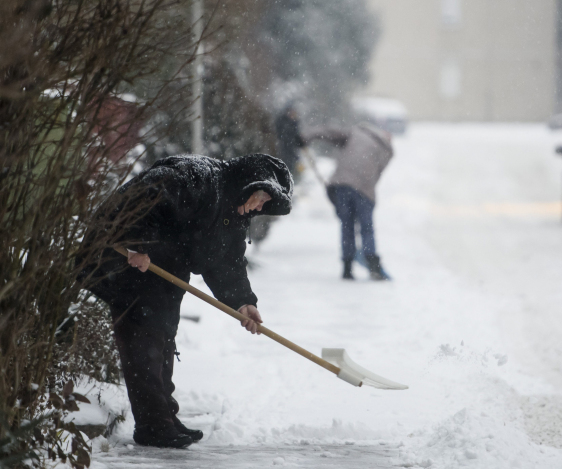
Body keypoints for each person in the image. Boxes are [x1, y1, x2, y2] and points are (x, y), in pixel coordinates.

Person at [78, 154, 293, 448]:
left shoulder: (233, 212)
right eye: (261, 197)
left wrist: (243, 302)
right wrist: (136, 244)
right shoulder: (197, 177)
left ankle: (164, 417)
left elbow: (226, 261)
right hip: (124, 258)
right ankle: (154, 426)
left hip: (164, 264)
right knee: (144, 338)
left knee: (163, 332)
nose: (260, 206)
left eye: (266, 203)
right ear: (247, 184)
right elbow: (142, 198)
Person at [304, 123, 393, 280]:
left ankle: (347, 268)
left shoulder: (356, 133)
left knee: (347, 226)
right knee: (366, 228)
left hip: (342, 184)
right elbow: (376, 174)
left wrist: (308, 136)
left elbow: (330, 133)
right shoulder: (386, 150)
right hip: (364, 189)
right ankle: (372, 264)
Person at [274, 105, 306, 182]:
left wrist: (300, 142)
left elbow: (296, 135)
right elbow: (285, 136)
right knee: (287, 165)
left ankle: (294, 181)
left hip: (292, 150)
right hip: (285, 149)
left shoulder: (294, 123)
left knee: (294, 164)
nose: (294, 115)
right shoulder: (284, 123)